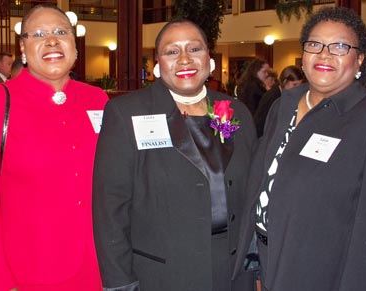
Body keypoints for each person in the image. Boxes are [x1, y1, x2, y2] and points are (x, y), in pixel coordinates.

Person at [233, 6, 366, 291]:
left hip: (319, 273)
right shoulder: (284, 105)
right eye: (315, 44)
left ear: (359, 59)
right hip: (259, 262)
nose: (325, 54)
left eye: (340, 46)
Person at [93, 19, 257, 291]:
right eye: (172, 51)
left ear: (209, 59)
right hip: (163, 274)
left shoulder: (233, 110)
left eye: (194, 49)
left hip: (231, 270)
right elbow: (110, 209)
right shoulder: (127, 113)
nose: (185, 59)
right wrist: (120, 282)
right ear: (157, 63)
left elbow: (251, 190)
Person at [0, 4, 108, 291]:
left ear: (74, 45)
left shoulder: (98, 100)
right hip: (27, 274)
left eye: (60, 32)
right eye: (39, 34)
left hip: (98, 269)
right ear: (22, 48)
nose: (52, 41)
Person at [254, 65, 305, 137]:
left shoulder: (284, 95)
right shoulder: (272, 97)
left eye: (300, 85)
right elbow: (261, 123)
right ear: (284, 82)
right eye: (294, 85)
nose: (298, 89)